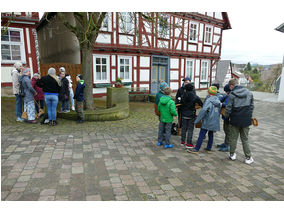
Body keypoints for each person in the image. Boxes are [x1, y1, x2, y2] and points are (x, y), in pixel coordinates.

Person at [225, 78, 254, 165]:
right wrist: (248, 116)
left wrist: (226, 117)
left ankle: (232, 154)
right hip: (246, 119)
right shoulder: (249, 93)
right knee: (245, 139)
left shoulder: (232, 94)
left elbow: (228, 108)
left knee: (233, 138)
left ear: (231, 85)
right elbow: (252, 107)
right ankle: (248, 158)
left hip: (235, 119)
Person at [187, 86, 221, 154]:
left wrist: (197, 120)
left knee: (202, 134)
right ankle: (209, 147)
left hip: (207, 120)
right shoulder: (218, 100)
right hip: (214, 121)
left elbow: (203, 111)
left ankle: (196, 149)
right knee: (211, 133)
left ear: (209, 92)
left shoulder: (209, 100)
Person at [180, 83, 203, 148]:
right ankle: (189, 143)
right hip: (191, 114)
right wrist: (196, 106)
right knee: (190, 129)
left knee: (184, 128)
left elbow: (180, 104)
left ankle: (182, 141)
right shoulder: (195, 96)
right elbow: (201, 103)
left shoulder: (183, 95)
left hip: (184, 113)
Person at [217, 84, 231, 152]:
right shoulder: (227, 95)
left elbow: (227, 104)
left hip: (229, 116)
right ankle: (225, 143)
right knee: (225, 129)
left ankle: (228, 145)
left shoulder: (230, 96)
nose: (225, 92)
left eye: (225, 91)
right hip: (225, 116)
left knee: (228, 131)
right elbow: (221, 99)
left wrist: (221, 104)